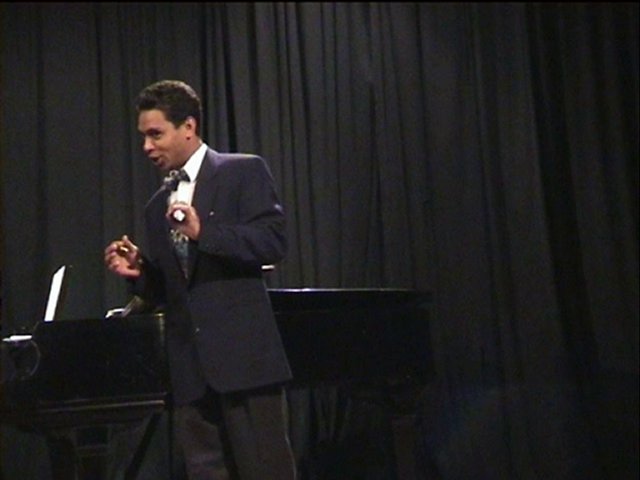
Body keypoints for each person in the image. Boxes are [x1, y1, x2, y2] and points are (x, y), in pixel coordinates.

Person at [104, 79, 296, 480]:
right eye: (143, 137)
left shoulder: (242, 171)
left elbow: (272, 242)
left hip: (244, 363)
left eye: (156, 134)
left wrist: (203, 232)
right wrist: (141, 273)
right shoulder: (157, 206)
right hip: (190, 373)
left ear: (188, 127)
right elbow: (174, 290)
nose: (146, 147)